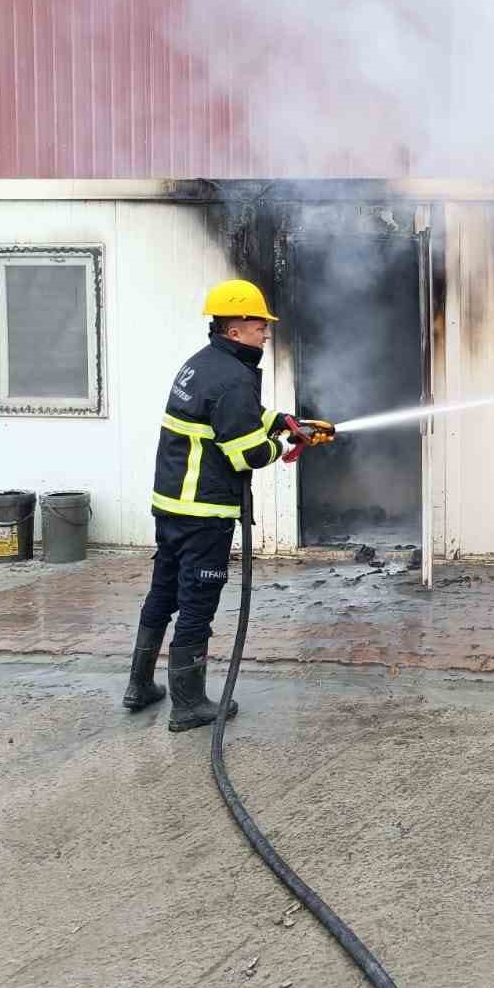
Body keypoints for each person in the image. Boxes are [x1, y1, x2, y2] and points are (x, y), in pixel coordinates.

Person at [122, 280, 334, 731]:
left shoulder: (203, 365)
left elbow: (226, 417)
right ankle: (188, 704)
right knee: (198, 601)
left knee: (162, 592)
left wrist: (282, 421)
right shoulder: (234, 378)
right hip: (204, 513)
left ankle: (139, 686)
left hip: (172, 505)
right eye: (259, 324)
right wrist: (287, 447)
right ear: (234, 329)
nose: (266, 331)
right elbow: (247, 453)